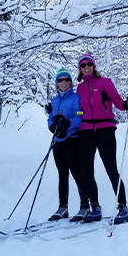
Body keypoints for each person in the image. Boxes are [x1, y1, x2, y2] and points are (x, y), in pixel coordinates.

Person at [75, 54, 128, 224]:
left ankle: (123, 207)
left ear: (94, 66)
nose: (87, 67)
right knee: (86, 171)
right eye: (83, 65)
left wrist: (127, 104)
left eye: (89, 64)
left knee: (111, 169)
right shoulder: (79, 88)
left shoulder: (104, 82)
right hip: (85, 131)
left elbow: (116, 100)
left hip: (105, 129)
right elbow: (77, 109)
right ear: (80, 68)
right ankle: (95, 207)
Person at [46, 68, 90, 222]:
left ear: (70, 82)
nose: (63, 82)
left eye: (66, 80)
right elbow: (50, 118)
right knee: (62, 174)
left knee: (76, 172)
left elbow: (79, 119)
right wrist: (52, 127)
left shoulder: (75, 98)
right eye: (60, 80)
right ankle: (63, 207)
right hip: (58, 141)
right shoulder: (55, 100)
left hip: (72, 139)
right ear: (57, 83)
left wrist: (67, 124)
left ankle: (85, 206)